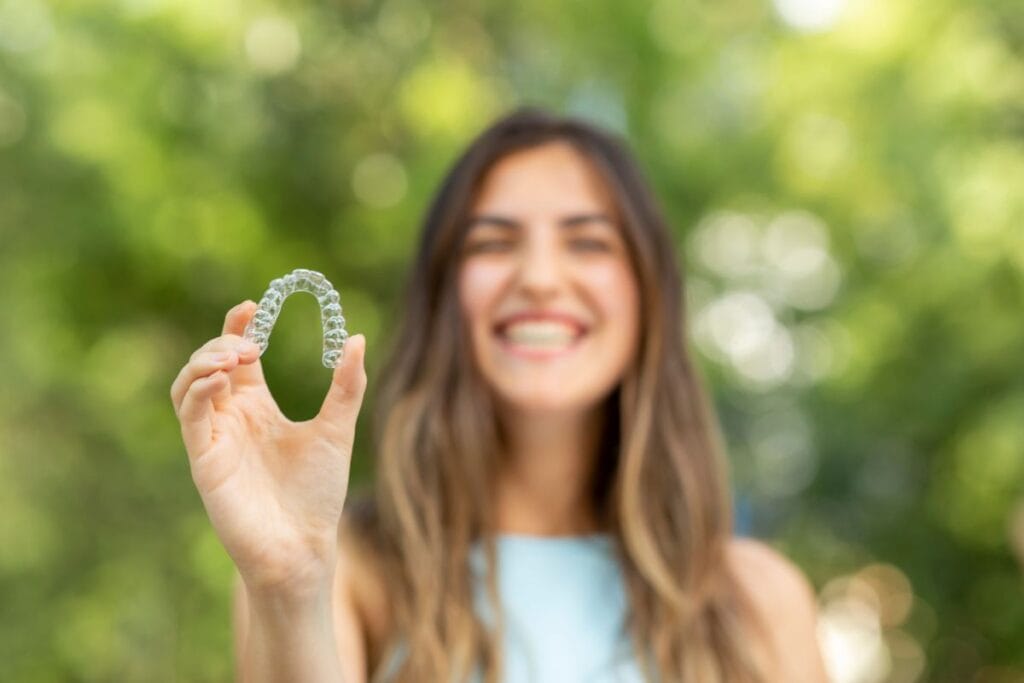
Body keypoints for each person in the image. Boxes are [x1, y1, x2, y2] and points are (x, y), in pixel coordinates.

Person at [170, 108, 829, 683]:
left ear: (647, 294)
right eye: (494, 241)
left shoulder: (761, 602)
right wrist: (289, 587)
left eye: (588, 240)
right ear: (445, 297)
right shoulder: (341, 575)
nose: (540, 277)